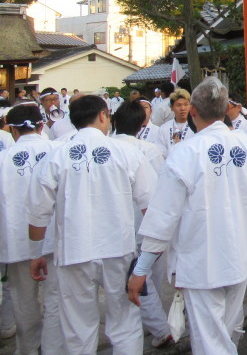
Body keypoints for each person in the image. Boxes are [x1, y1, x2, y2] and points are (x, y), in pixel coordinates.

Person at [127, 77, 247, 355]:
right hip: (238, 258)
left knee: (210, 342)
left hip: (201, 263)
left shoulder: (185, 153)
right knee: (223, 335)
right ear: (224, 108)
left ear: (193, 110)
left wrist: (141, 267)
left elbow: (162, 218)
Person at [27, 94, 157, 354]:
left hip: (74, 250)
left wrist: (36, 253)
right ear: (102, 116)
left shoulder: (56, 156)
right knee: (125, 323)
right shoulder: (126, 152)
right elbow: (152, 206)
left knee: (78, 329)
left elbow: (37, 212)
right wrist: (150, 254)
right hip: (118, 248)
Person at [0, 104, 64, 355]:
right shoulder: (58, 151)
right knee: (55, 301)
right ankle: (52, 349)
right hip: (54, 238)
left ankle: (27, 349)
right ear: (41, 125)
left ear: (12, 130)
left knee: (23, 301)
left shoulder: (3, 159)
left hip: (17, 241)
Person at [112, 101, 171, 348]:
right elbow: (160, 189)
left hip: (118, 224)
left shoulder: (108, 148)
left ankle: (156, 326)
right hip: (147, 222)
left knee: (136, 277)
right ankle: (157, 326)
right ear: (142, 123)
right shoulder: (149, 149)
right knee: (146, 275)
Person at [154, 88, 193, 156]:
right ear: (171, 107)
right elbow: (160, 152)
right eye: (178, 105)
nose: (182, 108)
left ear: (190, 106)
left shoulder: (197, 127)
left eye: (186, 104)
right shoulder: (163, 129)